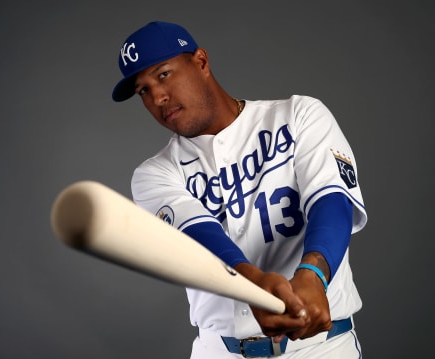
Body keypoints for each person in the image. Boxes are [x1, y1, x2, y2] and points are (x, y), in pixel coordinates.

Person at [112, 21, 367, 358]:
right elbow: (199, 237)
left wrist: (314, 274)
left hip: (321, 348)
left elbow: (331, 201)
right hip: (221, 351)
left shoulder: (299, 115)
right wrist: (251, 283)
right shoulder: (154, 174)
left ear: (201, 61)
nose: (158, 97)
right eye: (143, 90)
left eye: (163, 74)